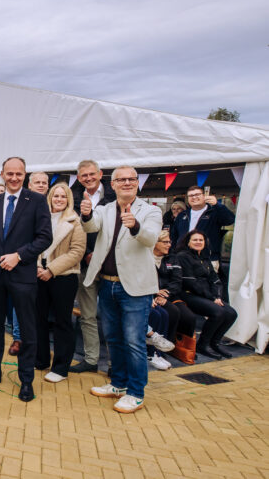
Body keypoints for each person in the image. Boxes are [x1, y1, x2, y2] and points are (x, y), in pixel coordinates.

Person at [0, 157, 52, 402]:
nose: (14, 178)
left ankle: (26, 380)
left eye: (19, 174)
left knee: (27, 329)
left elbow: (45, 237)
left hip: (22, 275)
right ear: (3, 174)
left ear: (25, 175)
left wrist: (19, 256)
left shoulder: (37, 201)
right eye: (10, 173)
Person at [81, 165, 162, 414]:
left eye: (131, 179)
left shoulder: (151, 211)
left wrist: (135, 226)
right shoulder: (105, 209)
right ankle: (118, 384)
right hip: (107, 283)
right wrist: (86, 214)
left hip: (135, 287)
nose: (127, 183)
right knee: (113, 338)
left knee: (134, 342)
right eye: (121, 179)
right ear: (113, 184)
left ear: (137, 183)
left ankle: (136, 392)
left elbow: (151, 238)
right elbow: (91, 227)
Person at [35, 182, 86, 383]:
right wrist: (37, 266)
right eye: (56, 196)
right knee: (39, 319)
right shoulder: (41, 218)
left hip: (63, 276)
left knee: (62, 322)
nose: (59, 199)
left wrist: (51, 270)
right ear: (50, 198)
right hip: (39, 273)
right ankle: (41, 359)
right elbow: (33, 243)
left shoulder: (75, 221)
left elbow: (77, 251)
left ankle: (61, 367)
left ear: (68, 199)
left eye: (63, 196)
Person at [70, 159, 117, 374]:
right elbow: (74, 229)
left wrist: (100, 255)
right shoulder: (74, 197)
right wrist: (86, 253)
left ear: (100, 174)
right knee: (87, 316)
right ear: (79, 178)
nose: (88, 178)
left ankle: (114, 364)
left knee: (111, 318)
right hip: (85, 264)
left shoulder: (115, 195)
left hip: (109, 265)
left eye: (91, 174)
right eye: (84, 176)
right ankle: (91, 359)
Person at [175, 230, 238, 359]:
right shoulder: (183, 256)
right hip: (189, 294)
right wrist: (212, 298)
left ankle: (214, 343)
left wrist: (217, 296)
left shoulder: (205, 257)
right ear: (188, 242)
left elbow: (215, 280)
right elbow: (191, 283)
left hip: (207, 295)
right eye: (195, 240)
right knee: (218, 312)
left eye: (201, 240)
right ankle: (202, 345)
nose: (198, 242)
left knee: (231, 313)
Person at [170, 186, 235, 272]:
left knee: (206, 280)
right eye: (191, 195)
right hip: (183, 259)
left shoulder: (214, 212)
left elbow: (230, 220)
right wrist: (173, 255)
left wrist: (217, 205)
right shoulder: (182, 215)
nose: (194, 197)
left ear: (204, 196)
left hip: (207, 259)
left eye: (197, 194)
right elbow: (173, 236)